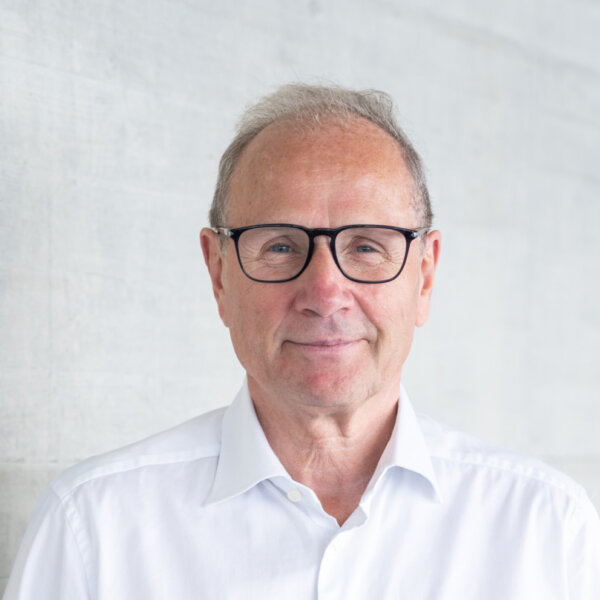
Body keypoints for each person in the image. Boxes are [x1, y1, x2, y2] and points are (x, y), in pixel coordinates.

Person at [4, 84, 599, 599]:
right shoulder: (92, 528)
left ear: (425, 275)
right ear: (218, 273)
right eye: (281, 245)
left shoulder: (549, 529)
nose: (324, 292)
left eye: (367, 246)